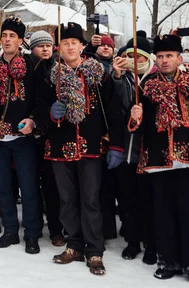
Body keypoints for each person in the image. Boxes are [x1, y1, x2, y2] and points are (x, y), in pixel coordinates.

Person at [129, 34, 189, 288]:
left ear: (180, 58)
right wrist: (136, 116)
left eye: (169, 56)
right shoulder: (146, 87)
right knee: (163, 214)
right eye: (160, 56)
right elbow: (138, 128)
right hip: (158, 160)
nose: (164, 60)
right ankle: (167, 261)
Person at [37, 22, 123, 275]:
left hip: (91, 147)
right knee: (67, 200)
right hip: (60, 146)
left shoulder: (99, 74)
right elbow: (38, 108)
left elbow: (114, 109)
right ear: (58, 47)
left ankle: (94, 249)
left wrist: (116, 144)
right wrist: (50, 114)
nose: (70, 46)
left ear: (83, 45)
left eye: (75, 42)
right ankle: (73, 244)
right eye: (65, 43)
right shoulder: (50, 75)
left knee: (91, 200)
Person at [0, 16, 41, 254]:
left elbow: (41, 100)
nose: (6, 40)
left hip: (23, 138)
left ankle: (32, 234)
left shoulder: (33, 65)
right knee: (2, 186)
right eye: (4, 36)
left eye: (12, 36)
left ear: (21, 40)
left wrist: (33, 120)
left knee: (29, 187)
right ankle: (11, 231)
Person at [109, 36, 158, 264]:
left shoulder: (155, 78)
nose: (133, 59)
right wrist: (116, 78)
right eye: (130, 55)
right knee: (127, 199)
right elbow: (112, 107)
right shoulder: (120, 77)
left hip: (149, 151)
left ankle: (151, 243)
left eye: (138, 55)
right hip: (125, 149)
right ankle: (132, 241)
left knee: (148, 199)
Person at [29, 30, 64, 247]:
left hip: (52, 133)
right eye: (40, 45)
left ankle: (56, 228)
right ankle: (33, 224)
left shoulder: (58, 69)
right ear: (32, 48)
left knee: (53, 185)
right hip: (28, 134)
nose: (45, 49)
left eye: (48, 45)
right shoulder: (27, 67)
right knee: (30, 185)